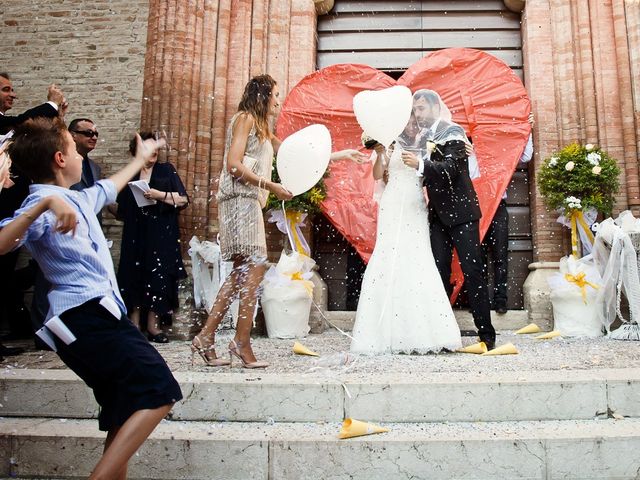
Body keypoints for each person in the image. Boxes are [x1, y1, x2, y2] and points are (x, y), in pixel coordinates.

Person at [0, 117, 181, 479]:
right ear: (60, 159)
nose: (83, 155)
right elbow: (4, 242)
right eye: (73, 147)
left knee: (123, 409)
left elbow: (112, 186)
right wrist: (44, 205)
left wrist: (141, 157)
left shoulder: (79, 196)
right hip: (84, 317)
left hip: (96, 316)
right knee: (160, 390)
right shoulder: (42, 203)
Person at [193, 74, 366, 368]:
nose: (277, 100)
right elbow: (233, 165)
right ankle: (241, 342)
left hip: (248, 202)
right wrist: (270, 186)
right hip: (239, 202)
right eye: (274, 94)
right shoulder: (245, 119)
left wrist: (339, 155)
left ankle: (206, 338)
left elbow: (294, 155)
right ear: (261, 95)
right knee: (256, 265)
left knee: (241, 272)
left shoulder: (262, 128)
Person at [350, 113, 462, 354]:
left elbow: (434, 172)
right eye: (409, 121)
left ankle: (425, 331)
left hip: (415, 204)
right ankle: (383, 332)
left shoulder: (426, 143)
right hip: (392, 202)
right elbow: (378, 175)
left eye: (414, 121)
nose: (413, 124)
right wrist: (381, 153)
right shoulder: (389, 145)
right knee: (389, 255)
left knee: (418, 257)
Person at [402, 89, 496, 351]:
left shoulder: (452, 131)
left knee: (473, 272)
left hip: (462, 214)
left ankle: (486, 335)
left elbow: (450, 170)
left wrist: (420, 164)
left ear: (434, 106)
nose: (417, 115)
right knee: (438, 274)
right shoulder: (422, 137)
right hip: (437, 216)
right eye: (414, 110)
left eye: (421, 108)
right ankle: (441, 334)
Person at [0, 74, 67, 353]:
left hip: (12, 211)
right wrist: (49, 104)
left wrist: (57, 117)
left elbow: (30, 135)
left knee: (5, 273)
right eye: (6, 90)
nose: (12, 95)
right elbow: (19, 123)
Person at [116, 132, 189, 343]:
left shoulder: (166, 171)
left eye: (156, 147)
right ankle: (133, 323)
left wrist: (159, 195)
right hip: (136, 231)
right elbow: (120, 207)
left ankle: (153, 326)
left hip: (161, 232)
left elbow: (183, 199)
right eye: (149, 147)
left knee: (159, 275)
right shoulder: (130, 174)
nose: (154, 151)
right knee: (133, 273)